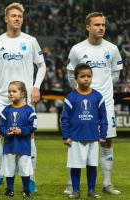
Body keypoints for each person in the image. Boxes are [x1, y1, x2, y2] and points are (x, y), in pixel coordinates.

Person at [0, 2, 46, 193]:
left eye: (19, 16)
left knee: (29, 135)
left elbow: (42, 65)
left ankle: (31, 179)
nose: (17, 19)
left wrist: (36, 87)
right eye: (13, 16)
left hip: (23, 97)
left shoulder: (30, 41)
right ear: (6, 18)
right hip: (2, 96)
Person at [65, 12, 123, 195]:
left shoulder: (112, 49)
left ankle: (106, 183)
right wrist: (83, 95)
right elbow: (70, 75)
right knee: (76, 143)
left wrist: (100, 93)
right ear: (87, 27)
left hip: (105, 102)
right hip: (82, 105)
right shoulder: (77, 49)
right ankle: (71, 184)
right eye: (97, 25)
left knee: (107, 142)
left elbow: (115, 75)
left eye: (103, 25)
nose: (101, 28)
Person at [61, 63, 108, 199]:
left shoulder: (98, 96)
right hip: (75, 138)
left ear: (92, 78)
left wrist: (103, 134)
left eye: (89, 76)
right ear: (76, 79)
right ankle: (75, 190)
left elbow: (103, 117)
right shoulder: (71, 97)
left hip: (93, 137)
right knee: (75, 166)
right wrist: (66, 136)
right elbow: (64, 118)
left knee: (92, 165)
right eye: (82, 76)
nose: (86, 79)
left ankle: (91, 190)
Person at [0, 81, 37, 198]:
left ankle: (26, 190)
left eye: (14, 91)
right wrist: (6, 132)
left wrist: (22, 131)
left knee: (25, 168)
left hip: (24, 145)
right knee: (9, 168)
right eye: (9, 91)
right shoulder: (6, 110)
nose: (11, 93)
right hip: (9, 145)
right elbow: (1, 126)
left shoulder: (29, 110)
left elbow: (33, 126)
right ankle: (9, 189)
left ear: (22, 94)